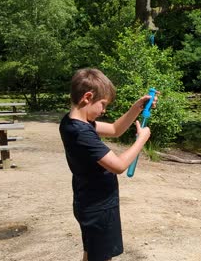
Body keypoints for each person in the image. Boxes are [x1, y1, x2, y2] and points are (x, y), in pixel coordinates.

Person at [59, 68, 156, 261]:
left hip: (87, 201)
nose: (104, 111)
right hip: (99, 208)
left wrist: (136, 108)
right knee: (102, 258)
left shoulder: (72, 123)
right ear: (87, 97)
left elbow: (114, 129)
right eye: (102, 105)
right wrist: (141, 139)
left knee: (92, 254)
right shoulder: (82, 133)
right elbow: (119, 166)